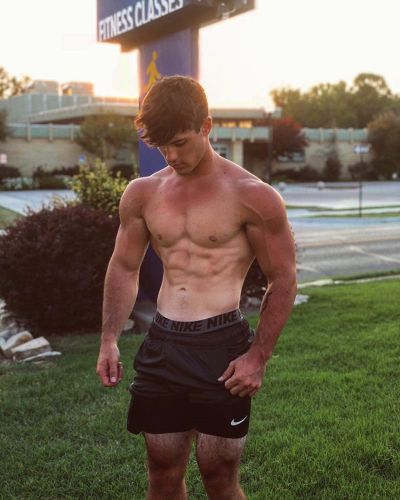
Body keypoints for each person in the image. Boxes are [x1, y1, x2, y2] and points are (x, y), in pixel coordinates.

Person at [96, 75, 297, 500]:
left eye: (181, 143)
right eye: (161, 146)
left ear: (206, 127)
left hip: (221, 347)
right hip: (163, 343)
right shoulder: (143, 193)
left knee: (218, 475)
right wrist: (109, 338)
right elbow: (124, 267)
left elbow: (283, 278)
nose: (171, 156)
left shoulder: (253, 196)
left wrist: (258, 357)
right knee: (162, 469)